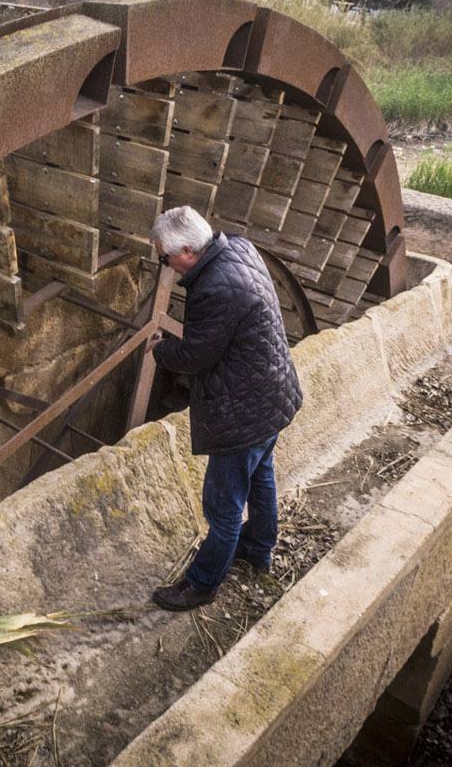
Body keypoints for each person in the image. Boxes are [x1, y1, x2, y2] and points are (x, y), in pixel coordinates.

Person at [146, 207, 303, 612]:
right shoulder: (239, 247)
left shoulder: (215, 288)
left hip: (244, 412)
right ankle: (257, 548)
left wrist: (161, 351)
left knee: (224, 504)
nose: (166, 265)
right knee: (261, 477)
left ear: (186, 250)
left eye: (165, 257)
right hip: (272, 395)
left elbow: (198, 355)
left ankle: (202, 584)